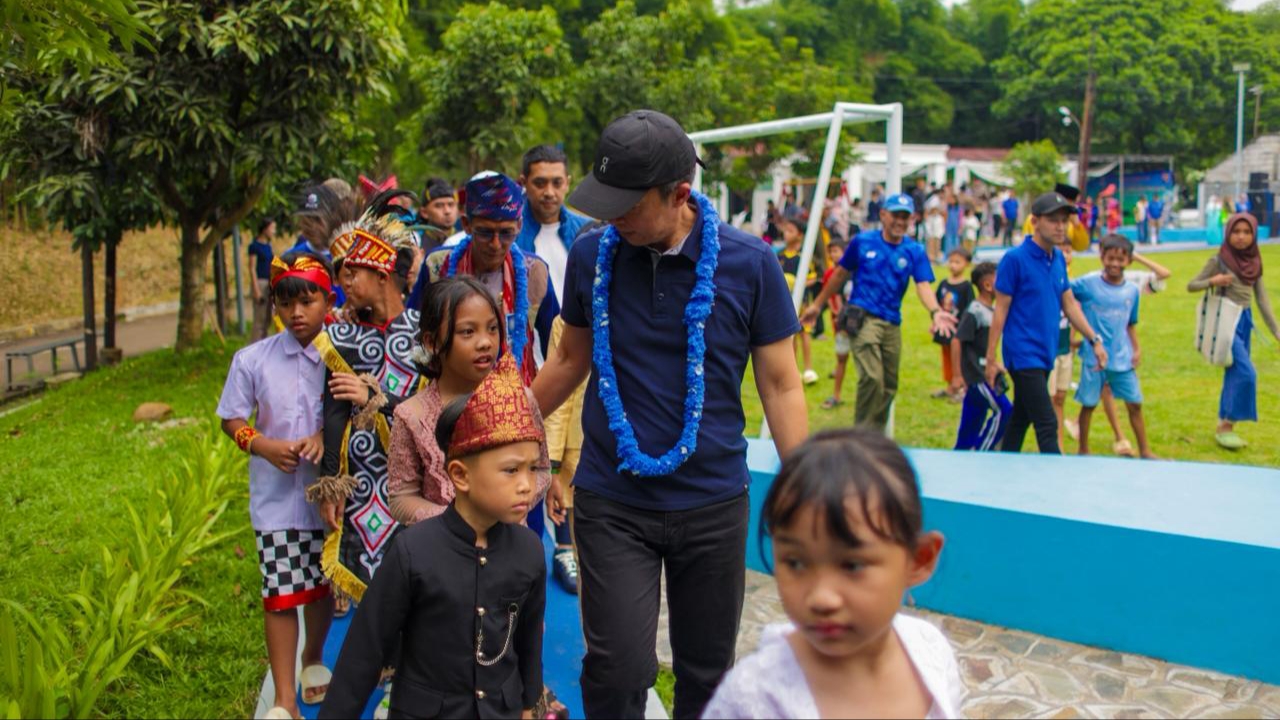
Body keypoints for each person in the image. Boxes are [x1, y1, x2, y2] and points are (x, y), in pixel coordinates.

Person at [531, 109, 808, 719]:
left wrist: (807, 483)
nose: (612, 218)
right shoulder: (591, 256)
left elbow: (782, 384)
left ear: (680, 193)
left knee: (707, 672)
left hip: (712, 503)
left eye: (627, 205)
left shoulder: (751, 263)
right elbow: (570, 359)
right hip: (612, 500)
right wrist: (500, 422)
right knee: (618, 665)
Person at [320, 355, 549, 720]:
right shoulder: (413, 551)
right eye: (511, 470)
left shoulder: (530, 551)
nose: (527, 484)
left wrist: (527, 705)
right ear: (460, 475)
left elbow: (529, 640)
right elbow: (366, 648)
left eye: (532, 467)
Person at [701, 429, 962, 719]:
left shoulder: (930, 654)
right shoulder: (753, 697)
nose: (821, 598)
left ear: (919, 560)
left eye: (852, 565)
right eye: (796, 563)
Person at [217, 252, 337, 720]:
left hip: (329, 499)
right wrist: (262, 444)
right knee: (281, 593)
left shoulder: (342, 355)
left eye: (308, 301)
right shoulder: (252, 359)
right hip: (274, 499)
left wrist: (324, 437)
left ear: (329, 300)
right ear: (274, 305)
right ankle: (285, 698)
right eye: (286, 304)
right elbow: (231, 419)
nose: (297, 314)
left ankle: (313, 658)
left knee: (323, 585)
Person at [306, 193, 424, 603]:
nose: (345, 282)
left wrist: (376, 396)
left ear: (382, 275)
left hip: (417, 483)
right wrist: (332, 484)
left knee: (419, 581)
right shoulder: (339, 336)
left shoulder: (426, 331)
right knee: (370, 584)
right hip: (362, 484)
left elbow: (437, 408)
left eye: (354, 273)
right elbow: (333, 412)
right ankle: (382, 662)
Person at [803, 193, 957, 430]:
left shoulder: (913, 250)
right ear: (883, 215)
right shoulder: (863, 242)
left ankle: (873, 436)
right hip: (863, 318)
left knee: (889, 386)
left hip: (892, 322)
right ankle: (861, 437)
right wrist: (817, 305)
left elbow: (923, 285)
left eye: (905, 217)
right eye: (895, 215)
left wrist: (936, 312)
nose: (900, 221)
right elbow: (840, 274)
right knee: (872, 378)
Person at [985, 191, 1108, 454]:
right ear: (1035, 221)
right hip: (1022, 353)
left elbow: (1069, 303)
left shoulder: (1058, 259)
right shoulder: (1015, 259)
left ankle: (1001, 468)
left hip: (1046, 352)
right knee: (1047, 421)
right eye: (1053, 220)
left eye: (1065, 220)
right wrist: (991, 356)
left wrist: (1094, 339)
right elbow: (1000, 310)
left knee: (1022, 416)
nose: (1061, 226)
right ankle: (1055, 483)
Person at [414, 172, 558, 387]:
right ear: (466, 225)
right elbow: (413, 328)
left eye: (506, 233)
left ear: (519, 226)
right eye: (485, 232)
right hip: (449, 395)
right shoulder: (437, 265)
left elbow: (557, 348)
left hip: (516, 395)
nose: (496, 244)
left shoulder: (535, 272)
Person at [1187, 213, 1280, 450]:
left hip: (1244, 321)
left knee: (1234, 373)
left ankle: (1224, 424)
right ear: (1228, 233)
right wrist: (1213, 281)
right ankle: (1227, 424)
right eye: (1236, 232)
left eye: (1247, 232)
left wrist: (1277, 332)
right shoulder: (1219, 260)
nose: (1241, 237)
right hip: (1224, 320)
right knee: (1247, 373)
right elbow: (1191, 285)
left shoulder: (1255, 261)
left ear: (1254, 235)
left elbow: (1262, 300)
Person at [1071, 235, 1156, 459]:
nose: (1115, 264)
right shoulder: (1087, 284)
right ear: (1101, 257)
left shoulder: (1131, 291)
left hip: (1122, 358)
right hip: (1093, 359)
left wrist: (1136, 348)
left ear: (1129, 260)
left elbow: (1130, 323)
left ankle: (1145, 450)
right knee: (1088, 405)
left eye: (1120, 259)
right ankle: (1083, 450)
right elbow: (1065, 297)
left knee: (1135, 404)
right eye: (1110, 258)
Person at [516, 145, 591, 305]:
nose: (549, 192)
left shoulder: (587, 231)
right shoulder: (510, 234)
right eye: (540, 183)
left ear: (567, 183)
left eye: (557, 183)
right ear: (524, 183)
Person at [954, 261, 1010, 451]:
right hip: (978, 375)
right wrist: (957, 375)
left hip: (985, 371)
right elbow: (957, 340)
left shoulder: (993, 311)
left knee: (971, 420)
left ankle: (961, 453)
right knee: (1005, 411)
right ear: (987, 285)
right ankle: (982, 451)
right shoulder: (975, 311)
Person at [778, 215, 820, 386]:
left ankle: (808, 368)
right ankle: (792, 369)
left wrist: (798, 283)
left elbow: (813, 278)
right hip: (784, 302)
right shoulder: (778, 256)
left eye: (790, 231)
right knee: (790, 336)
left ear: (800, 235)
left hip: (802, 302)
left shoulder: (804, 257)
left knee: (804, 334)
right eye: (785, 231)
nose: (786, 234)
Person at [932, 247, 973, 401]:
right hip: (944, 328)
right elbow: (936, 304)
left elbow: (969, 309)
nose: (953, 265)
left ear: (966, 264)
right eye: (951, 261)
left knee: (960, 358)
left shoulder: (966, 287)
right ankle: (950, 385)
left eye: (958, 262)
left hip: (958, 329)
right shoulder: (944, 283)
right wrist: (934, 322)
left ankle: (961, 387)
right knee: (946, 357)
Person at [820, 241, 851, 411]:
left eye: (837, 251)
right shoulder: (834, 273)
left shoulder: (855, 272)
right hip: (842, 322)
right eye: (831, 251)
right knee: (841, 358)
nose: (834, 255)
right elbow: (833, 295)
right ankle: (836, 395)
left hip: (858, 321)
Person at [247, 218, 277, 341]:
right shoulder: (255, 246)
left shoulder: (268, 246)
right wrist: (256, 290)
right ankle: (255, 345)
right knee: (259, 319)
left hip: (269, 282)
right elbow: (252, 268)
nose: (273, 231)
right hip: (260, 282)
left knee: (267, 319)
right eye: (272, 228)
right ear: (265, 229)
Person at [419, 177, 461, 253]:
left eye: (451, 204)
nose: (447, 211)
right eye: (439, 205)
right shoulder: (416, 246)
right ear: (424, 212)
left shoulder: (467, 242)